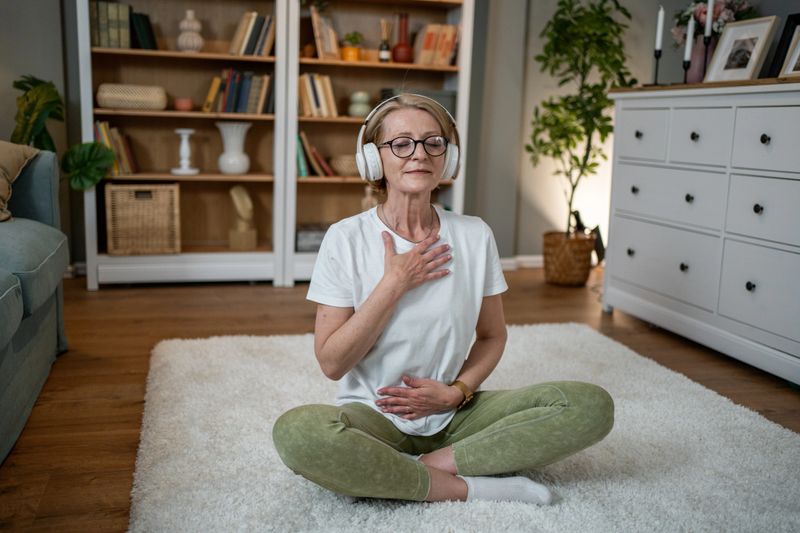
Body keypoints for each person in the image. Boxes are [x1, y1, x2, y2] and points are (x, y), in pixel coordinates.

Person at [273, 93, 613, 504]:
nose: (418, 154)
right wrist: (394, 284)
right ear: (373, 160)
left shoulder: (474, 234)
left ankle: (421, 467)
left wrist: (457, 392)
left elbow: (492, 336)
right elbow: (332, 362)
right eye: (401, 143)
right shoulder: (345, 239)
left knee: (589, 405)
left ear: (447, 159)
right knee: (298, 432)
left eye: (432, 142)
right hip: (374, 420)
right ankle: (469, 486)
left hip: (455, 416)